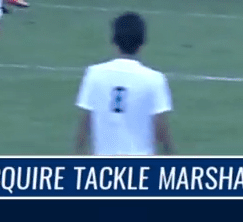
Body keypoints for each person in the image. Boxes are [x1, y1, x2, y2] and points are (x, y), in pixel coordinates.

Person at [74, 12, 173, 156]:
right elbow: (161, 129)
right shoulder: (155, 79)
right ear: (142, 42)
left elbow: (84, 124)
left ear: (114, 40)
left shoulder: (94, 74)